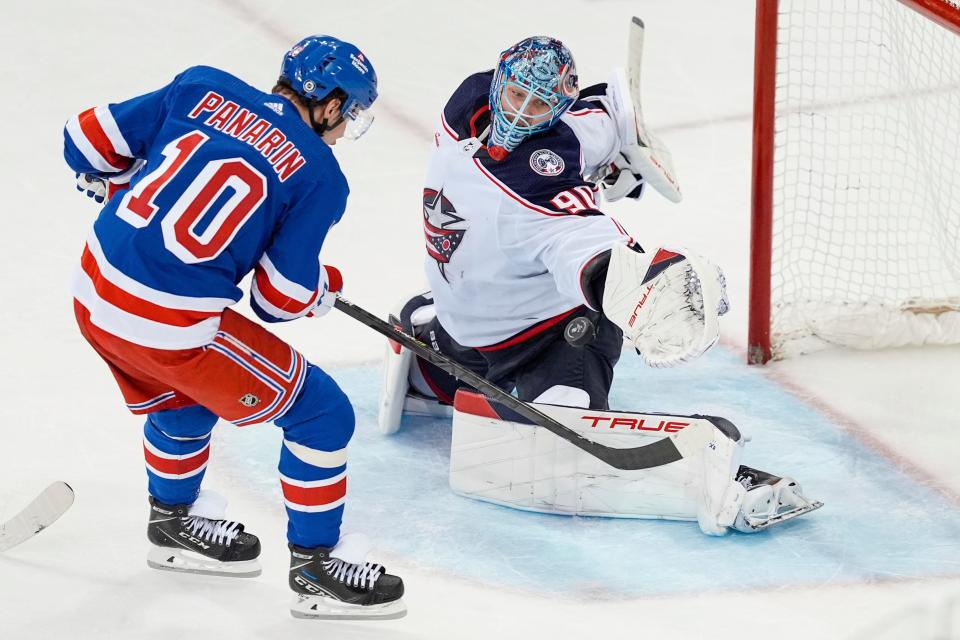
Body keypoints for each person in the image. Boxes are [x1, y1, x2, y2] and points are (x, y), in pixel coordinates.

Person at [379, 36, 820, 535]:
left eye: (540, 104)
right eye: (516, 95)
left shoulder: (527, 172)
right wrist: (617, 152)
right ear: (498, 81)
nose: (521, 113)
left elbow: (588, 252)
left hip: (547, 333)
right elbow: (601, 117)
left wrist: (641, 286)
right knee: (524, 412)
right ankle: (439, 365)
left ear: (558, 110)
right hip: (476, 324)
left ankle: (435, 360)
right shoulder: (471, 104)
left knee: (566, 423)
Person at [66, 35, 405, 620]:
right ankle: (317, 565)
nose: (345, 130)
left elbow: (84, 141)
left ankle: (172, 521)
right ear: (328, 104)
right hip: (166, 322)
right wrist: (319, 286)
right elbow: (276, 300)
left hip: (93, 292)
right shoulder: (321, 173)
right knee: (322, 412)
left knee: (186, 397)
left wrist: (120, 178)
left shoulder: (202, 84)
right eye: (347, 115)